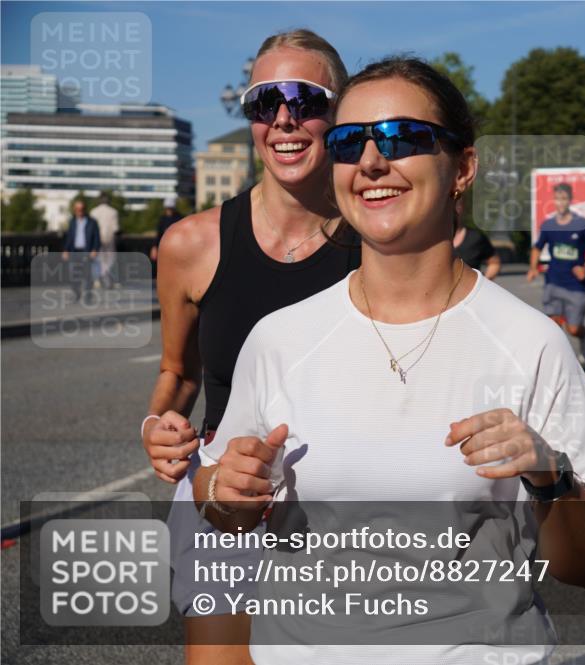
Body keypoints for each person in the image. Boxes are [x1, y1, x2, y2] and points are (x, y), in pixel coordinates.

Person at [192, 55, 585, 665]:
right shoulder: (279, 338)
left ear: (463, 167)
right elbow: (217, 505)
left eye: (404, 138)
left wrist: (549, 475)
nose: (372, 160)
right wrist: (225, 492)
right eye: (348, 142)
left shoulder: (530, 342)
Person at [142, 29, 357, 665]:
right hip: (224, 494)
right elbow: (177, 373)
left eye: (305, 99)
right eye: (264, 101)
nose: (284, 118)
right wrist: (158, 424)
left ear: (341, 113)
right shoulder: (191, 244)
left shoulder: (379, 240)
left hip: (344, 510)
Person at [528, 182, 585, 365]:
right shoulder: (548, 225)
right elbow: (537, 248)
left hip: (576, 284)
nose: (560, 203)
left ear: (570, 200)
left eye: (564, 199)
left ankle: (584, 335)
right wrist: (533, 267)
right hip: (553, 281)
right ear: (554, 200)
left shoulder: (582, 224)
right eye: (557, 199)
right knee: (553, 324)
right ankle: (560, 362)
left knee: (573, 328)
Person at [60, 199, 101, 300]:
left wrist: (95, 249)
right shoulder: (72, 222)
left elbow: (97, 237)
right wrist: (65, 250)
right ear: (74, 210)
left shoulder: (92, 222)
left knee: (87, 275)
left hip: (87, 251)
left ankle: (88, 296)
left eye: (82, 209)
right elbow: (69, 237)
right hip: (74, 251)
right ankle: (76, 293)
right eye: (77, 209)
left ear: (85, 209)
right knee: (73, 275)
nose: (80, 211)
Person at [90, 193, 120, 288]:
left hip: (97, 238)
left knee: (98, 259)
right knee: (110, 259)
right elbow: (116, 228)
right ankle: (107, 277)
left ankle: (97, 279)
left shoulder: (93, 212)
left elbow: (91, 229)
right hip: (109, 237)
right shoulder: (113, 212)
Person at [150, 197, 183, 263]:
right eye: (168, 208)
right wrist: (154, 247)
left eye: (170, 208)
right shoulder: (162, 219)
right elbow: (159, 235)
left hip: (176, 249)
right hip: (165, 249)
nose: (169, 210)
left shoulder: (179, 218)